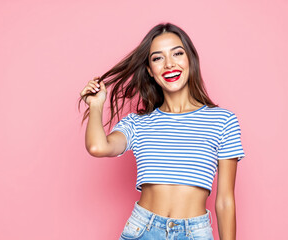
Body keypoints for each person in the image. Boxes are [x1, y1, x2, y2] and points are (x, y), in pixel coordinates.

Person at [78, 22, 245, 240]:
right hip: (142, 230)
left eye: (177, 53)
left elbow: (224, 200)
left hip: (195, 233)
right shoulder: (138, 123)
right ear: (150, 70)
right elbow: (98, 147)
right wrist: (96, 105)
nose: (169, 64)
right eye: (158, 58)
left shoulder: (223, 121)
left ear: (190, 60)